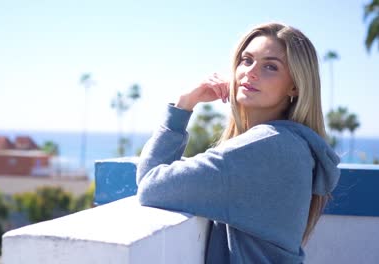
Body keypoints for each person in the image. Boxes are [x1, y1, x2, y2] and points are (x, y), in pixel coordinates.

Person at [135, 22, 341, 263]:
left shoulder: (269, 147)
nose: (251, 72)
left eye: (270, 67)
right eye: (247, 60)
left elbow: (150, 185)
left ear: (294, 86)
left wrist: (183, 105)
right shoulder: (291, 146)